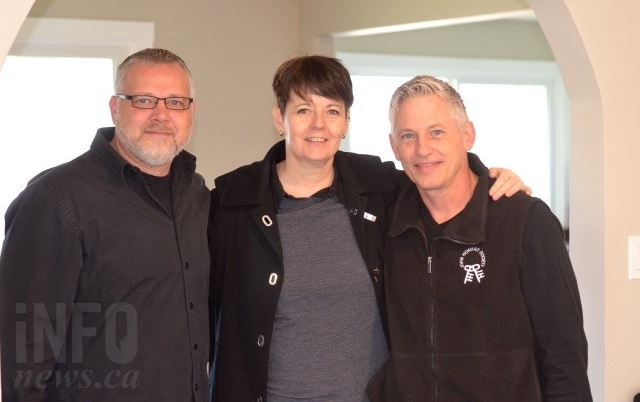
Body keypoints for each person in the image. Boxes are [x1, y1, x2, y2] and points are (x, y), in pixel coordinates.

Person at [208, 56, 528, 401]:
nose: (319, 125)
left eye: (332, 111)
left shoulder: (381, 190)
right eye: (303, 110)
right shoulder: (232, 204)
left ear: (346, 121)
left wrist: (489, 178)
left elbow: (441, 177)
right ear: (279, 118)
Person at [0, 48, 210, 401]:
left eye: (175, 102)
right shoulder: (57, 198)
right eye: (144, 100)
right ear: (115, 107)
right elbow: (25, 352)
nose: (161, 115)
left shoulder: (197, 194)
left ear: (191, 111)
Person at [366, 75, 592, 401]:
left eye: (437, 132)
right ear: (393, 147)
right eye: (408, 136)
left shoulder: (524, 220)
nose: (423, 149)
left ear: (467, 135)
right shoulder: (386, 222)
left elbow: (564, 351)